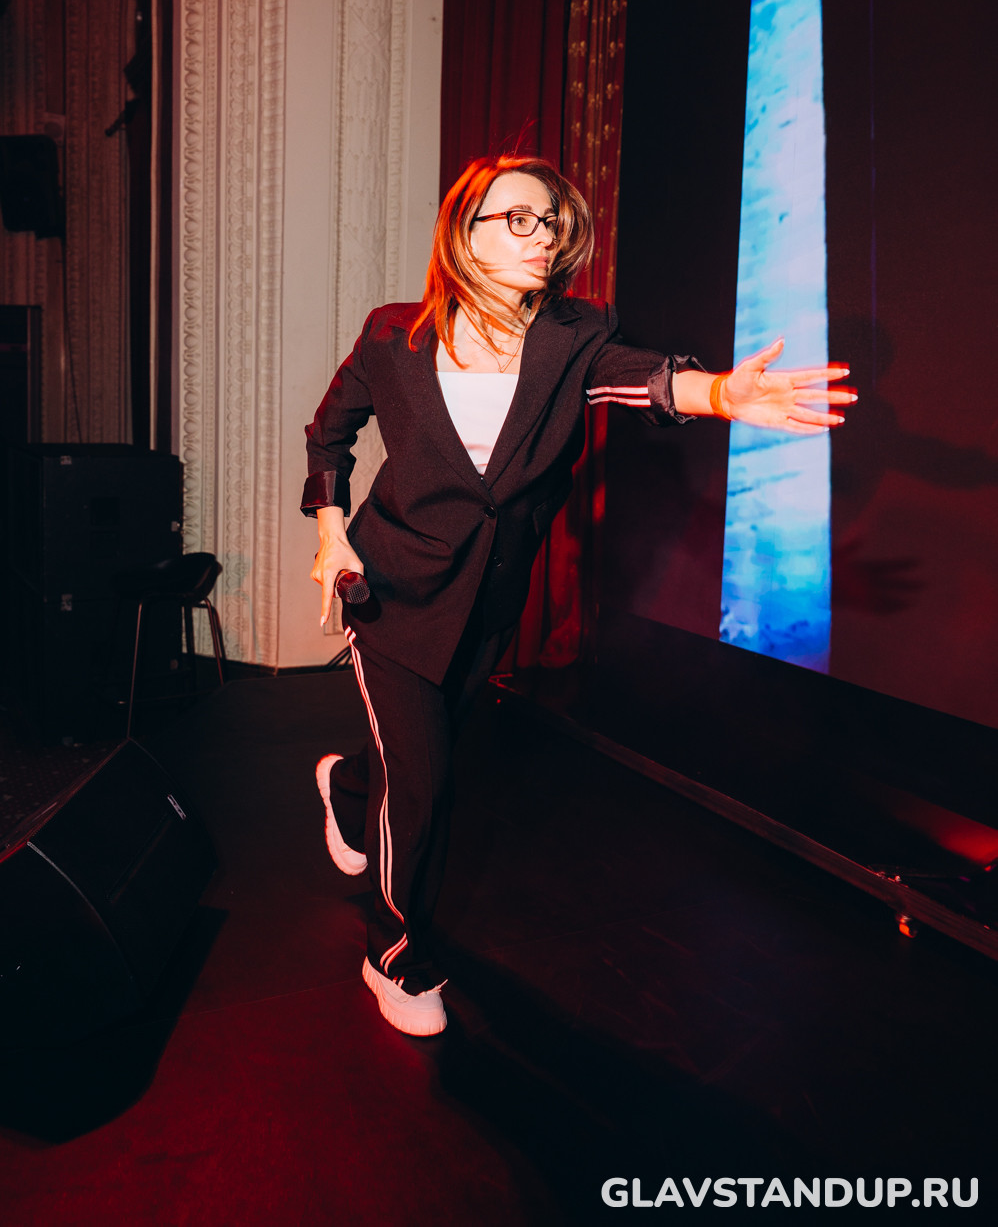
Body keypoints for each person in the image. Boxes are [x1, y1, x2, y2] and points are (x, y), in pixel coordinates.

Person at [302, 155, 854, 1037]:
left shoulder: (573, 338)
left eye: (553, 223)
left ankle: (345, 787)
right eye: (518, 218)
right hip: (390, 590)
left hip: (486, 602)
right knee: (426, 783)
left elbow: (648, 378)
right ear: (464, 232)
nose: (543, 237)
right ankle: (396, 956)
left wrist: (722, 393)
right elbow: (330, 437)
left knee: (417, 760)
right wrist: (332, 534)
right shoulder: (392, 336)